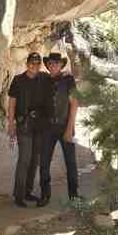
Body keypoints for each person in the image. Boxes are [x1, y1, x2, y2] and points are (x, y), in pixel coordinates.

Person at [38, 52, 79, 206]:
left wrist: (69, 129)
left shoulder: (68, 80)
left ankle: (74, 196)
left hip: (65, 126)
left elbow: (74, 104)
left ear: (61, 65)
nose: (53, 65)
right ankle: (45, 194)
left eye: (56, 63)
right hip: (47, 128)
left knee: (71, 163)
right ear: (47, 65)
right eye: (50, 63)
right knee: (44, 162)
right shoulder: (43, 80)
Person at [7, 52, 46, 208]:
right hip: (23, 125)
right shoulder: (18, 80)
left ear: (40, 65)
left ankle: (28, 192)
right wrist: (11, 123)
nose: (34, 66)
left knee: (34, 160)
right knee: (24, 159)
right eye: (32, 63)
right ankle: (18, 194)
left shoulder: (43, 79)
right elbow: (11, 103)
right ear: (27, 63)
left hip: (39, 126)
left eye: (37, 64)